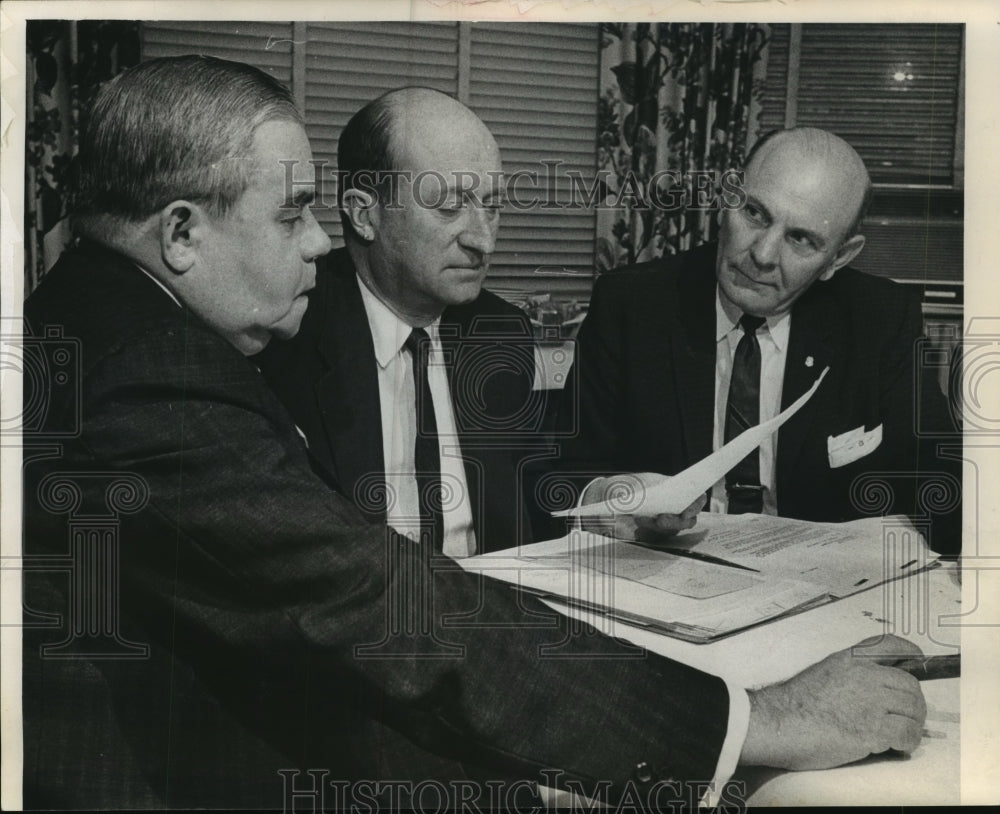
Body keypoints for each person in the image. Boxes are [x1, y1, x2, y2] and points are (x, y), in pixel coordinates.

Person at [21, 56, 928, 810]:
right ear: (180, 230)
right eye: (293, 214)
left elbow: (493, 526)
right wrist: (752, 718)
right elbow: (376, 602)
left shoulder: (104, 318)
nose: (318, 243)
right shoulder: (153, 372)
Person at [556, 127, 961, 553]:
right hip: (659, 572)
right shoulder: (632, 304)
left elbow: (944, 480)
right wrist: (614, 495)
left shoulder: (879, 318)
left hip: (815, 589)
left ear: (838, 258)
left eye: (801, 239)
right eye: (754, 214)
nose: (763, 255)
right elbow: (561, 476)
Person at [255, 88, 539, 556]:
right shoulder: (285, 330)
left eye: (492, 206)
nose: (483, 242)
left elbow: (530, 513)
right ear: (365, 214)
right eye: (450, 207)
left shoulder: (499, 331)